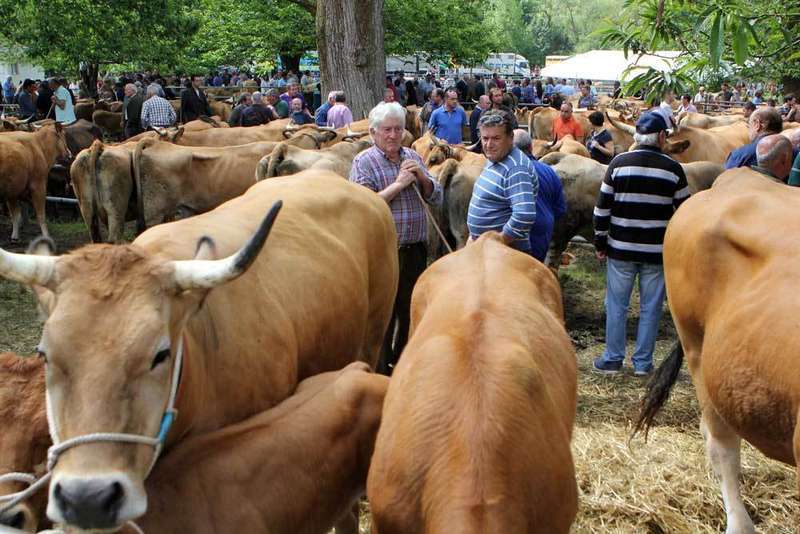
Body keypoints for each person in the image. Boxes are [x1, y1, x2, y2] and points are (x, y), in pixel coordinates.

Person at [348, 101, 443, 375]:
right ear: (374, 133)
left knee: (410, 309)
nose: (393, 135)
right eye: (387, 130)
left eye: (398, 129)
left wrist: (423, 179)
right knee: (382, 313)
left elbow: (436, 196)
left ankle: (404, 365)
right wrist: (399, 184)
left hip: (415, 248)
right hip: (383, 251)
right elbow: (363, 205)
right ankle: (378, 371)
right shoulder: (363, 161)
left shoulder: (411, 155)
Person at [592, 112, 689, 376]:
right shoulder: (674, 169)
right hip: (656, 253)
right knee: (650, 308)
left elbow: (602, 210)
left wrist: (600, 242)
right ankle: (643, 364)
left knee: (616, 305)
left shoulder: (618, 163)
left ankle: (612, 359)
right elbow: (684, 214)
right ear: (661, 137)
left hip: (620, 249)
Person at [467, 109, 537, 253]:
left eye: (496, 138)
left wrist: (501, 240)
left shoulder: (516, 168)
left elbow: (524, 214)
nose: (489, 144)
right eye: (485, 138)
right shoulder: (495, 158)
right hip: (485, 249)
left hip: (504, 254)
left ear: (510, 137)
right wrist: (473, 236)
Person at [513, 129, 566, 263]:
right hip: (541, 236)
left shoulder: (506, 170)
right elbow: (560, 210)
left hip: (511, 237)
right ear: (531, 147)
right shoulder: (549, 171)